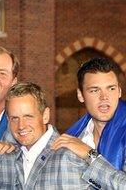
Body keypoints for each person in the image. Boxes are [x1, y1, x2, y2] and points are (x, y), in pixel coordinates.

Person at [52, 57, 126, 189]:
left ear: (119, 91)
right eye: (94, 90)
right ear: (80, 95)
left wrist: (90, 155)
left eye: (111, 88)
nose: (104, 97)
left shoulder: (81, 147)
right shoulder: (74, 137)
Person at [5, 82, 90, 188]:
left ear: (45, 115)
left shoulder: (66, 157)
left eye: (28, 116)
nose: (21, 126)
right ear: (8, 120)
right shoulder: (11, 156)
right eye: (14, 118)